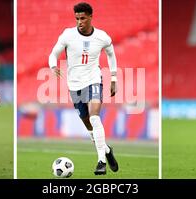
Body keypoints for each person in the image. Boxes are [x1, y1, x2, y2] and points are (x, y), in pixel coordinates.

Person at [48, 2, 119, 175]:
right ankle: (107, 151)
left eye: (83, 18)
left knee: (95, 118)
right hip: (74, 85)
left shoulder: (102, 37)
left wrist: (114, 78)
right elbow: (54, 53)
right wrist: (52, 66)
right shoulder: (68, 34)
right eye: (77, 18)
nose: (80, 21)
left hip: (94, 80)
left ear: (90, 17)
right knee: (89, 126)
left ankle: (101, 161)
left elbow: (111, 54)